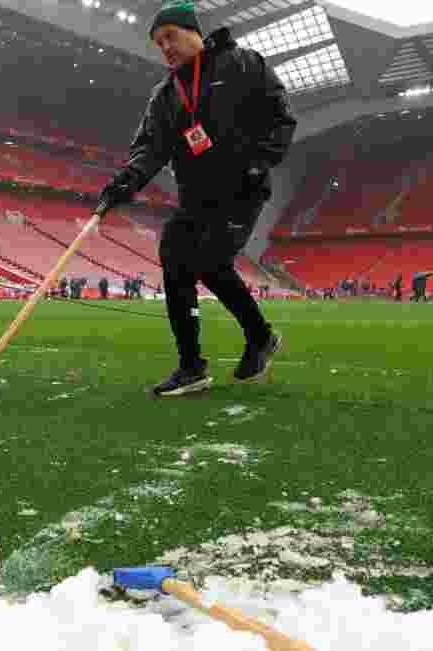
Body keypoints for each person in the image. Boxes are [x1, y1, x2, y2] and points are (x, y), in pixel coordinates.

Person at [97, 1, 296, 396]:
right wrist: (126, 182)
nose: (165, 48)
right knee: (174, 256)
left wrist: (258, 163)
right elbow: (150, 148)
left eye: (170, 37)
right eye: (158, 44)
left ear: (193, 31)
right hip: (196, 195)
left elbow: (281, 116)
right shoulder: (166, 94)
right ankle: (191, 367)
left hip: (241, 189)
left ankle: (260, 336)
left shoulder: (242, 63)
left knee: (208, 259)